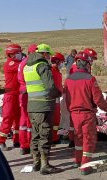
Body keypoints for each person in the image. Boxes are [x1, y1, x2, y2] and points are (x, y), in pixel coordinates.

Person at [65, 51, 107, 175]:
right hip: (87, 114)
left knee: (78, 138)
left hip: (74, 114)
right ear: (86, 64)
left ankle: (77, 160)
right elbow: (98, 99)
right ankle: (85, 166)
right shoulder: (90, 79)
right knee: (89, 140)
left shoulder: (68, 79)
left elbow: (67, 99)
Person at [23, 43, 62, 175]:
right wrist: (58, 93)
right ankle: (45, 165)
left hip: (32, 106)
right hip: (44, 106)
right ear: (44, 53)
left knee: (35, 135)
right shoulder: (42, 65)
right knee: (45, 135)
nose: (50, 57)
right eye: (49, 54)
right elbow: (50, 87)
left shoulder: (28, 67)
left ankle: (36, 163)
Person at [0, 44, 23, 150]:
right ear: (11, 54)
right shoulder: (11, 63)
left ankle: (16, 140)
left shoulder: (17, 62)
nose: (20, 54)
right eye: (18, 53)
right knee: (8, 118)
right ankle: (0, 141)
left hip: (18, 95)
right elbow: (22, 67)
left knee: (18, 118)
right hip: (11, 95)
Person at [18, 44, 37, 155]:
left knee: (23, 120)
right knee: (29, 120)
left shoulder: (23, 63)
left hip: (23, 92)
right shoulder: (29, 63)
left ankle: (23, 145)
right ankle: (29, 144)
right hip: (29, 93)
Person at [50, 52, 65, 144]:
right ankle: (52, 138)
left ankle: (55, 137)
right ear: (57, 61)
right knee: (53, 120)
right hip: (52, 99)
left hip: (57, 99)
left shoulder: (56, 71)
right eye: (61, 62)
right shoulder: (51, 71)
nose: (62, 64)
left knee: (56, 120)